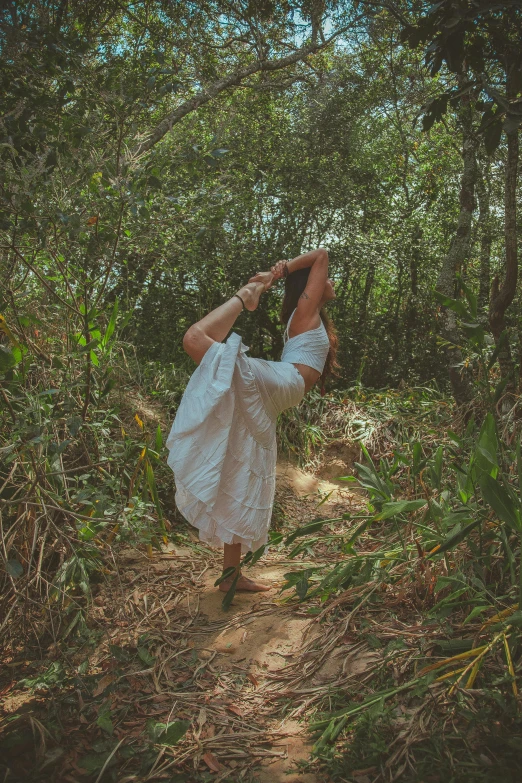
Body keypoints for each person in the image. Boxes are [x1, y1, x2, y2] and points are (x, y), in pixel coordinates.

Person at [166, 248, 338, 592]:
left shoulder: (308, 314)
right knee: (196, 341)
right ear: (309, 286)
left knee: (241, 468)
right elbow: (322, 254)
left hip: (277, 394)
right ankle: (244, 297)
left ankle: (231, 577)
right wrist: (280, 271)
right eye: (324, 280)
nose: (330, 281)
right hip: (282, 381)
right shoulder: (305, 309)